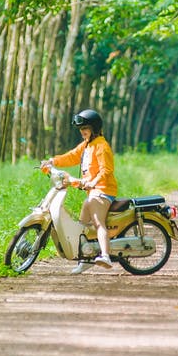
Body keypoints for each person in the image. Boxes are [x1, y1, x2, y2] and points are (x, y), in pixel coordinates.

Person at [41, 109, 118, 274]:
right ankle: (85, 260)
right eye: (81, 129)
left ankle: (105, 255)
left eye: (86, 128)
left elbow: (106, 170)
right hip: (93, 191)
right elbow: (71, 156)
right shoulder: (87, 145)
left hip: (103, 190)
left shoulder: (101, 146)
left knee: (98, 223)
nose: (83, 132)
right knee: (82, 227)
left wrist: (93, 182)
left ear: (94, 128)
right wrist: (52, 161)